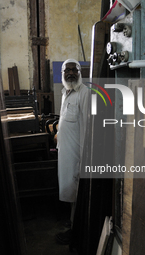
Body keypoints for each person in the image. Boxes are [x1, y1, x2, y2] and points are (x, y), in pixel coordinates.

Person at [56, 59, 89, 245]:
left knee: (76, 193)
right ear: (62, 72)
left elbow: (86, 128)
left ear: (80, 72)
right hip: (65, 153)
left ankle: (75, 232)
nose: (70, 73)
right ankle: (72, 223)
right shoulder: (65, 92)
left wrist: (85, 158)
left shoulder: (84, 94)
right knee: (70, 192)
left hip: (77, 155)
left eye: (74, 70)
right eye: (67, 70)